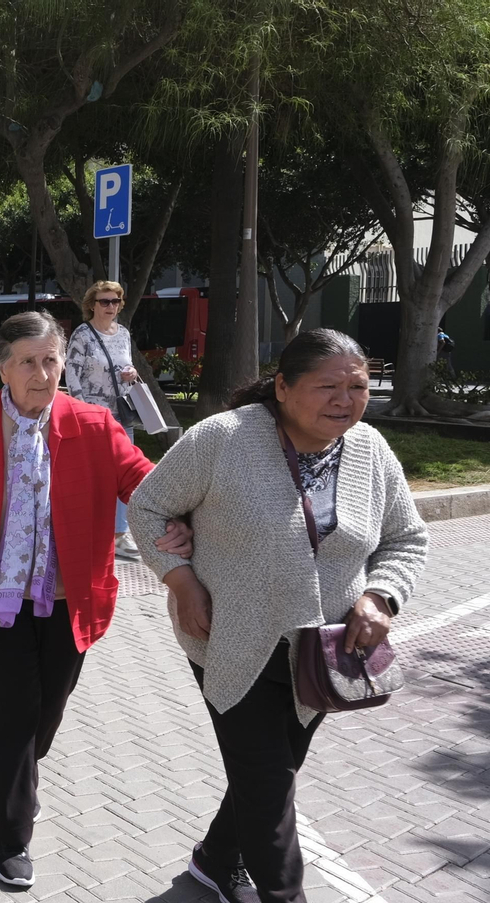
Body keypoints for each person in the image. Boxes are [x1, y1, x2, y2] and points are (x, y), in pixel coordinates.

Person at [128, 329, 428, 903]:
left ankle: (215, 859)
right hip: (231, 641)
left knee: (272, 772)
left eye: (358, 387)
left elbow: (406, 538)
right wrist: (180, 579)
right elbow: (148, 504)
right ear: (284, 387)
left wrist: (381, 596)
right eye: (328, 386)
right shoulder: (222, 438)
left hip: (324, 654)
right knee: (269, 789)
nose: (345, 400)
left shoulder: (369, 449)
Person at [0, 311, 193, 889]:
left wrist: (175, 518)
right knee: (12, 720)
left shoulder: (94, 426)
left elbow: (144, 484)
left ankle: (22, 776)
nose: (43, 374)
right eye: (28, 362)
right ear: (3, 368)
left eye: (51, 360)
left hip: (69, 599)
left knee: (46, 712)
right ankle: (12, 836)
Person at [65, 280, 142, 559]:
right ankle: (89, 529)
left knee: (124, 472)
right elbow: (71, 374)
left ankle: (119, 534)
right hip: (93, 417)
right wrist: (81, 410)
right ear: (92, 305)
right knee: (94, 475)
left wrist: (131, 373)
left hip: (121, 413)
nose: (111, 306)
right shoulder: (83, 334)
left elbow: (126, 365)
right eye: (105, 301)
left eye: (115, 301)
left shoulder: (123, 334)